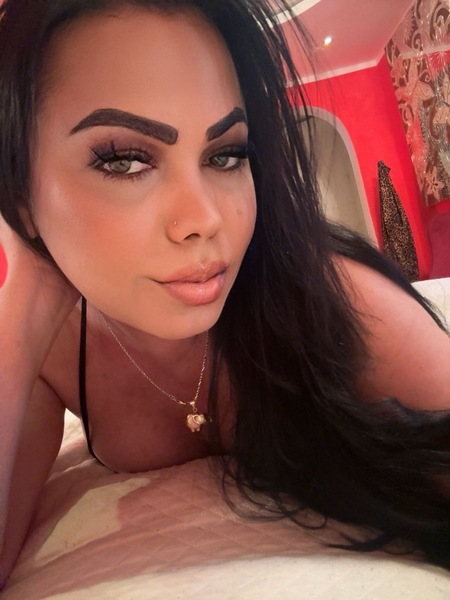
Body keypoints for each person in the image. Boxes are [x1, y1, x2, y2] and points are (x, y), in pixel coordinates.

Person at [1, 0, 450, 587]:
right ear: (22, 198)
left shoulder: (336, 298)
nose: (205, 219)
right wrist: (27, 295)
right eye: (125, 161)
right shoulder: (50, 352)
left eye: (226, 155)